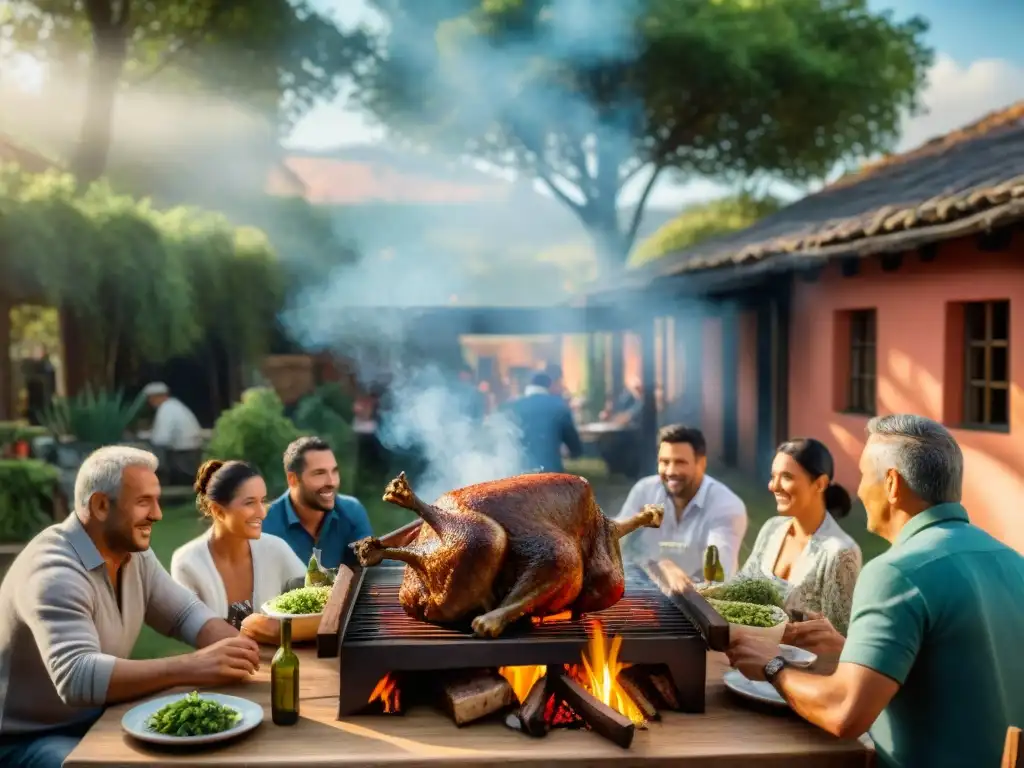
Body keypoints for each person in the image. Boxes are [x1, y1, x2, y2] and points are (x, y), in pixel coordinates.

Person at [726, 414, 1024, 768]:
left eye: (865, 476)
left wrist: (772, 665)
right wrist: (849, 649)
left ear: (892, 485)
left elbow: (844, 712)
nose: (859, 490)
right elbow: (954, 670)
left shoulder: (895, 572)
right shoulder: (1013, 562)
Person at [0, 446, 260, 768]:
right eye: (143, 502)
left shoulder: (132, 554)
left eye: (156, 499)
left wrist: (240, 649)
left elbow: (184, 614)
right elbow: (77, 677)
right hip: (29, 738)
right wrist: (192, 665)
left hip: (100, 714)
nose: (158, 513)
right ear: (100, 506)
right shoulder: (53, 572)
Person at [735, 438, 861, 635]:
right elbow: (739, 590)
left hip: (803, 664)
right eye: (773, 476)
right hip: (750, 653)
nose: (773, 486)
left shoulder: (839, 552)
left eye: (786, 477)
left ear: (820, 484)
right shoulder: (772, 529)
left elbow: (839, 638)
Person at [170, 460, 306, 620]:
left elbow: (316, 599)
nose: (262, 514)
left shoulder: (276, 549)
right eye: (250, 503)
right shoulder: (188, 563)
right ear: (218, 511)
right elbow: (196, 629)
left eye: (262, 501)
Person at [616, 424, 747, 579]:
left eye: (680, 462)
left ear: (701, 463)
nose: (671, 471)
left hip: (701, 598)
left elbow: (719, 576)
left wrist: (671, 574)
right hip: (646, 589)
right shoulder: (645, 490)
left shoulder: (726, 506)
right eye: (664, 462)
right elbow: (615, 539)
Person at [263, 436, 373, 570]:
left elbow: (369, 566)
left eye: (334, 471)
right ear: (293, 479)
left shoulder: (352, 511)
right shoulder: (265, 524)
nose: (331, 482)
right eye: (319, 473)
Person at [503, 371, 582, 473]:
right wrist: (573, 452)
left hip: (518, 473)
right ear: (551, 385)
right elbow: (575, 447)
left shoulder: (512, 407)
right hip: (550, 474)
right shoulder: (559, 406)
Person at [141, 382, 203, 452]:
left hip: (183, 452)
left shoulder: (166, 408)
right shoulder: (174, 404)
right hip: (192, 449)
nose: (150, 402)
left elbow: (161, 438)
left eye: (150, 398)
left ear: (156, 397)